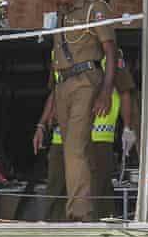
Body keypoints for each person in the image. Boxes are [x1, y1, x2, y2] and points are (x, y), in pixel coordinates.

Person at [36, 0, 117, 221]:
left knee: (74, 149)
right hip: (64, 86)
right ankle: (86, 210)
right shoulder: (62, 15)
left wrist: (105, 91)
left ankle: (79, 215)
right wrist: (43, 121)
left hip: (86, 81)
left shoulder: (95, 8)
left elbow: (111, 52)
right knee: (76, 152)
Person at [34, 58, 137, 220]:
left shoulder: (108, 55)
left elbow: (124, 91)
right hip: (61, 139)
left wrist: (127, 128)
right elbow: (55, 92)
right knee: (56, 194)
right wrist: (41, 124)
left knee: (95, 196)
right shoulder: (58, 52)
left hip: (98, 139)